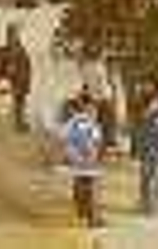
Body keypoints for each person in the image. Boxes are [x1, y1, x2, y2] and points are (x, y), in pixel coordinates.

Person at [61, 97, 105, 228]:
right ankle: (93, 218)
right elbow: (96, 140)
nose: (94, 112)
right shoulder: (90, 123)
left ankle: (81, 210)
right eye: (92, 109)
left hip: (76, 158)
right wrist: (95, 153)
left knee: (79, 183)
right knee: (92, 187)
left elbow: (64, 138)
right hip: (89, 158)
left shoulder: (72, 122)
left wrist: (69, 155)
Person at [0, 23, 31, 132]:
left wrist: (15, 88)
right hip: (2, 88)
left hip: (15, 91)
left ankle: (18, 121)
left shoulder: (23, 55)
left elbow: (25, 76)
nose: (11, 38)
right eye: (10, 35)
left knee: (15, 102)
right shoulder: (2, 52)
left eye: (14, 35)